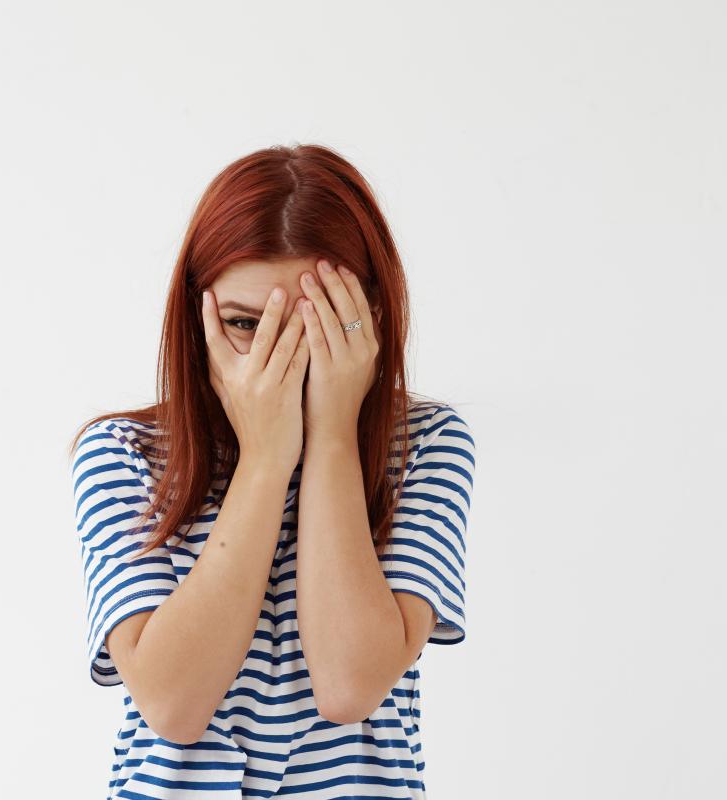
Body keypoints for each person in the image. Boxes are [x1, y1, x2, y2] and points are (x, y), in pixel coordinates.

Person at [67, 143, 476, 799]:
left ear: (368, 315)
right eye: (244, 323)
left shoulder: (426, 444)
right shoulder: (124, 453)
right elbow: (172, 705)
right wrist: (264, 459)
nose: (276, 356)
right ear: (197, 317)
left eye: (315, 325)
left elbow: (349, 686)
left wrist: (333, 435)